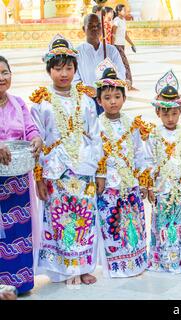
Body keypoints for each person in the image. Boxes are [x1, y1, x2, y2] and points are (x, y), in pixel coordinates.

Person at [31, 34, 102, 286]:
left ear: (75, 68)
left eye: (69, 68)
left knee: (84, 216)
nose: (64, 73)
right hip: (55, 171)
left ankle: (84, 266)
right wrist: (39, 177)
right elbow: (35, 145)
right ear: (49, 70)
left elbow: (95, 135)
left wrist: (100, 171)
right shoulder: (41, 103)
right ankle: (65, 268)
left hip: (83, 167)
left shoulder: (85, 99)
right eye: (58, 68)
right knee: (61, 219)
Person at [94, 59, 149, 278]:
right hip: (109, 185)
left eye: (117, 97)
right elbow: (95, 154)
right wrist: (99, 176)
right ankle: (114, 264)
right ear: (99, 100)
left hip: (130, 185)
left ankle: (134, 262)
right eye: (107, 98)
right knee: (112, 224)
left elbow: (138, 153)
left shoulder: (132, 124)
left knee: (132, 224)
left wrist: (142, 180)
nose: (113, 102)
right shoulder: (96, 124)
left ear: (124, 98)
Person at [0, 55, 42, 295]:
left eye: (5, 72)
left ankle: (21, 282)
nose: (1, 78)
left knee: (19, 231)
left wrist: (36, 137)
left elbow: (30, 128)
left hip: (18, 183)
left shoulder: (18, 103)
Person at [146, 70, 181, 274]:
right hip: (162, 188)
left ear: (180, 111)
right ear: (158, 113)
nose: (170, 118)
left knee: (179, 223)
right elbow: (149, 162)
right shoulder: (154, 135)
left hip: (180, 188)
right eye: (165, 113)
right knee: (162, 223)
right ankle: (161, 259)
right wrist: (149, 186)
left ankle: (179, 259)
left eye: (174, 113)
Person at [74, 13, 126, 115]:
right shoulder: (77, 52)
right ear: (84, 28)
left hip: (109, 100)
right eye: (91, 25)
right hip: (87, 101)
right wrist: (87, 89)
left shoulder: (111, 50)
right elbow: (74, 80)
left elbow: (121, 73)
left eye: (98, 26)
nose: (95, 29)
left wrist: (108, 88)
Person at [112, 4, 137, 91]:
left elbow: (125, 35)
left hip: (122, 45)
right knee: (126, 65)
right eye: (123, 10)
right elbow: (113, 34)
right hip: (116, 45)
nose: (125, 12)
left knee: (121, 65)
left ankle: (123, 84)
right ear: (118, 12)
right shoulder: (116, 20)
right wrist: (111, 47)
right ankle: (129, 85)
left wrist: (132, 44)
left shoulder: (123, 21)